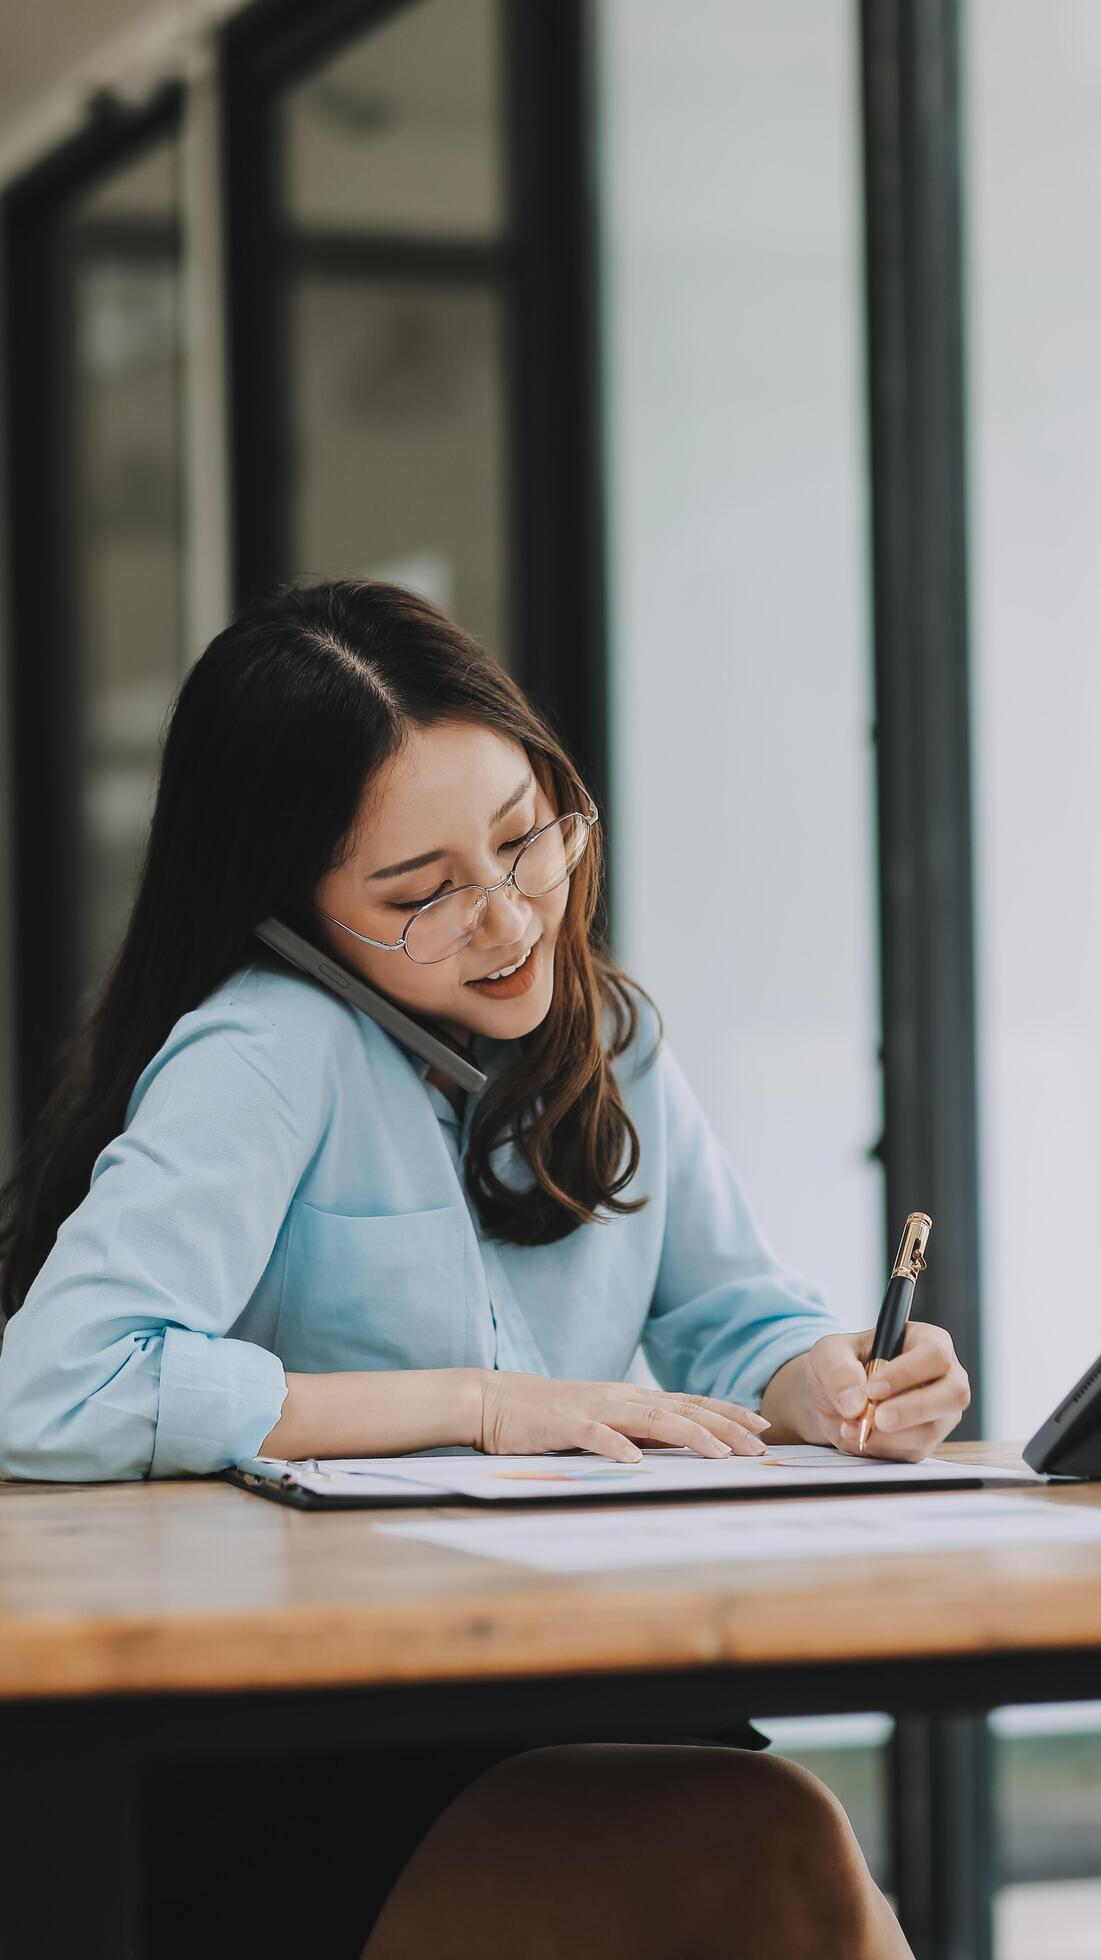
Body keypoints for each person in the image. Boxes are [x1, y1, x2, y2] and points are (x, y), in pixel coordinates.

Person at [0, 578, 970, 1959]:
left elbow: (727, 1313)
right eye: (422, 895)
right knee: (770, 1856)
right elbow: (53, 1389)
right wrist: (483, 1404)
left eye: (526, 842)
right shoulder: (271, 1048)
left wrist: (832, 1380)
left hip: (575, 1670)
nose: (512, 924)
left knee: (783, 1846)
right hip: (328, 1735)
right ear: (294, 905)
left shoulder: (605, 1032)